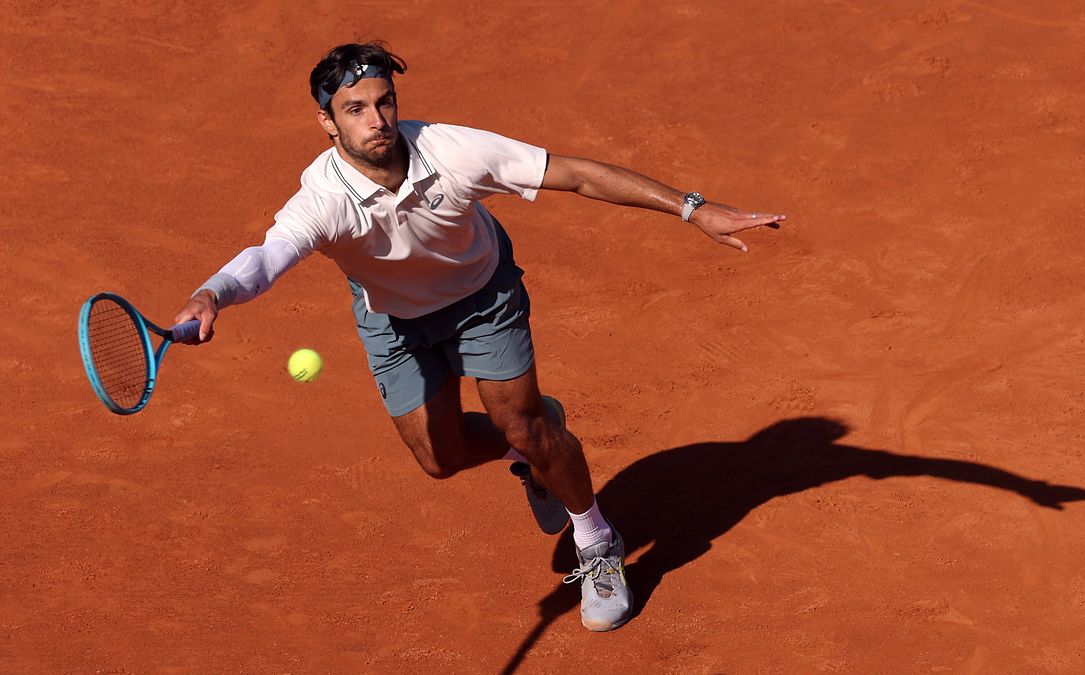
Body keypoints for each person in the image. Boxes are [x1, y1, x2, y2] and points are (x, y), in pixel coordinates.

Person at [174, 41, 784, 632]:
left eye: (384, 102)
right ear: (328, 124)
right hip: (395, 321)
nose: (377, 121)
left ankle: (596, 541)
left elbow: (575, 175)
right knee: (440, 460)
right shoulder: (323, 198)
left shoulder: (451, 149)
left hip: (481, 296)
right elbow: (267, 257)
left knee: (524, 425)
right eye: (355, 110)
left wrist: (692, 208)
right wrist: (212, 293)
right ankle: (534, 448)